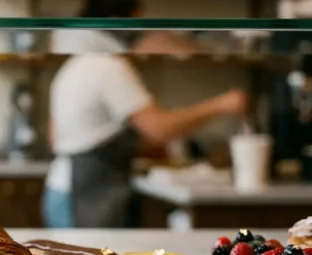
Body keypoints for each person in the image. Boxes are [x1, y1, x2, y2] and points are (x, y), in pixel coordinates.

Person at [43, 0, 248, 228]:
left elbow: (55, 138)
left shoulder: (70, 68)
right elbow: (159, 129)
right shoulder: (109, 66)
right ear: (119, 21)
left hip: (58, 192)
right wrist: (221, 104)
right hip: (89, 198)